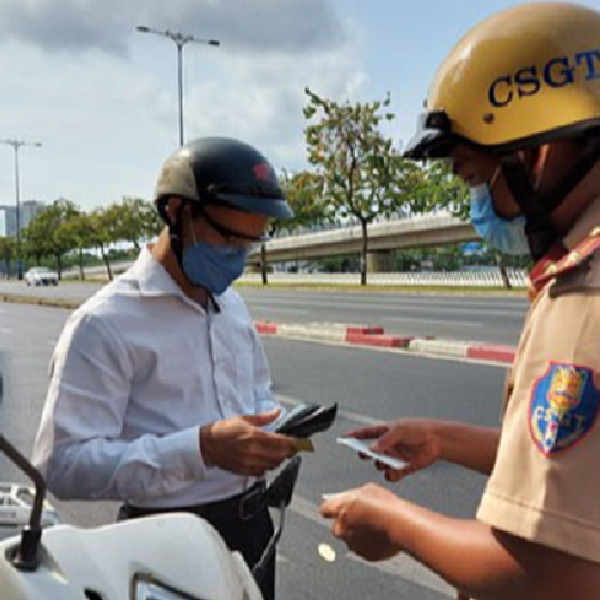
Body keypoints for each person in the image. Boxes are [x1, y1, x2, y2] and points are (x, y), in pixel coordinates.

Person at [320, 3, 600, 599]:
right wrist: (445, 440)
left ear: (537, 152)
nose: (478, 206)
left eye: (475, 177)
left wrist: (389, 519)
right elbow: (580, 481)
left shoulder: (585, 290)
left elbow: (552, 577)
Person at [32, 136, 300, 600]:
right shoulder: (104, 323)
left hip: (253, 528)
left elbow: (256, 395)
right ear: (177, 212)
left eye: (249, 243)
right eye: (226, 237)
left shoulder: (232, 306)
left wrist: (274, 429)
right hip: (164, 541)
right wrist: (200, 449)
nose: (237, 257)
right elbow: (63, 465)